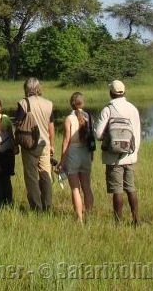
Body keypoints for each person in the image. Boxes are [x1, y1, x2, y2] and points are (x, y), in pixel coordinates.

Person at [94, 80, 142, 225]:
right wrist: (133, 153)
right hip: (130, 155)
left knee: (117, 190)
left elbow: (97, 134)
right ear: (124, 92)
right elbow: (137, 133)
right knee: (130, 188)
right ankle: (136, 219)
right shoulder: (132, 108)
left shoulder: (108, 109)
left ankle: (118, 222)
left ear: (111, 93)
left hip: (112, 157)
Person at [15, 77, 55, 211]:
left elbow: (18, 125)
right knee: (46, 175)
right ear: (38, 88)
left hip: (29, 144)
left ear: (26, 88)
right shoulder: (49, 103)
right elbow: (51, 127)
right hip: (45, 144)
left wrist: (16, 143)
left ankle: (36, 206)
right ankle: (47, 205)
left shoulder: (23, 103)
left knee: (31, 176)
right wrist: (52, 145)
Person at [59, 92, 94, 223]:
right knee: (87, 187)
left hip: (73, 154)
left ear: (71, 103)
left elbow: (66, 141)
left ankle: (79, 218)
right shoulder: (89, 116)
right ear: (82, 103)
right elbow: (91, 139)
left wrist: (62, 161)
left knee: (75, 188)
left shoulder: (69, 119)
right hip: (86, 154)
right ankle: (89, 216)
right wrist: (91, 156)